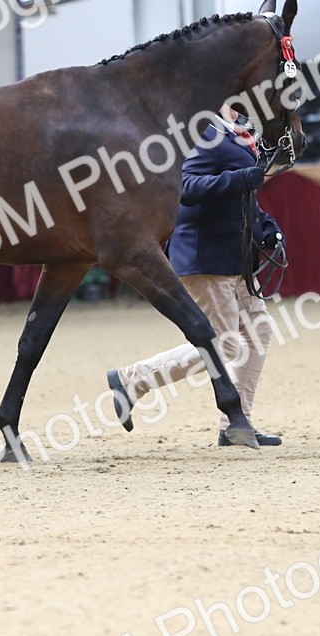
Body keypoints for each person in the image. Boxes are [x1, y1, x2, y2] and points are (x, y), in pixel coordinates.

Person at [107, 105, 285, 446]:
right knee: (224, 343)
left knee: (258, 332)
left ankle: (238, 423)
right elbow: (186, 186)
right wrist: (240, 179)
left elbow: (245, 194)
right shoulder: (203, 131)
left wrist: (265, 226)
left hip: (237, 254)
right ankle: (134, 378)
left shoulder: (239, 131)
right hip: (207, 252)